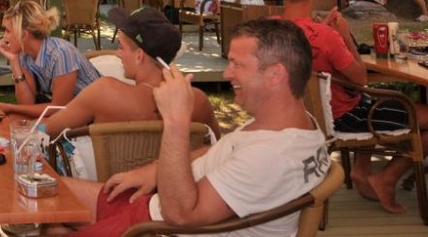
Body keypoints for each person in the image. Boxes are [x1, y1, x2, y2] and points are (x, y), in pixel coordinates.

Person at [63, 19, 329, 236]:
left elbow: (180, 215)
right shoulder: (295, 125)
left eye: (237, 64)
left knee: (49, 217)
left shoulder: (269, 156)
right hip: (159, 203)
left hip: (157, 227)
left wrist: (176, 120)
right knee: (51, 193)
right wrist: (156, 170)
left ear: (275, 74)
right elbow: (221, 152)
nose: (227, 73)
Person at [276, 0, 428, 214]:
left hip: (299, 116)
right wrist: (344, 35)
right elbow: (360, 79)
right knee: (380, 104)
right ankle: (386, 178)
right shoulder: (327, 36)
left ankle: (362, 171)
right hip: (342, 119)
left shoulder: (268, 31)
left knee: (366, 100)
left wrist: (325, 30)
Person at [41, 7, 220, 139]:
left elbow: (46, 130)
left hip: (103, 178)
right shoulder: (197, 101)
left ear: (139, 56)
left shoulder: (105, 92)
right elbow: (214, 145)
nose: (117, 54)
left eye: (121, 47)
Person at [0, 1, 100, 118]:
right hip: (74, 112)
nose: (4, 36)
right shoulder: (25, 54)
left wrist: (10, 108)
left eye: (7, 30)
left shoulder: (61, 54)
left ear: (24, 35)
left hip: (98, 114)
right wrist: (14, 61)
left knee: (19, 124)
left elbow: (58, 109)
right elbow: (27, 103)